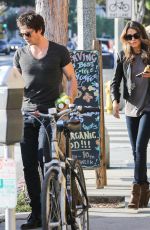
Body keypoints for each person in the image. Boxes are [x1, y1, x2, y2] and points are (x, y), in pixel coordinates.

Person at [13, 11, 78, 229]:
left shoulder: (59, 51)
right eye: (21, 33)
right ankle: (37, 212)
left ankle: (55, 205)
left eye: (28, 33)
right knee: (29, 166)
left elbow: (71, 79)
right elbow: (14, 84)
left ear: (39, 30)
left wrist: (67, 102)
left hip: (50, 115)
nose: (24, 37)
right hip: (27, 115)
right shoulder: (20, 54)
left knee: (45, 158)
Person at [110, 21, 150, 210]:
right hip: (130, 109)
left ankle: (135, 194)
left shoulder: (149, 54)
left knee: (140, 149)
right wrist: (115, 101)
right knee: (136, 153)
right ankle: (145, 189)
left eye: (135, 36)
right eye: (129, 36)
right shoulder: (123, 56)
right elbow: (115, 81)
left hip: (148, 108)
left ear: (141, 35)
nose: (132, 40)